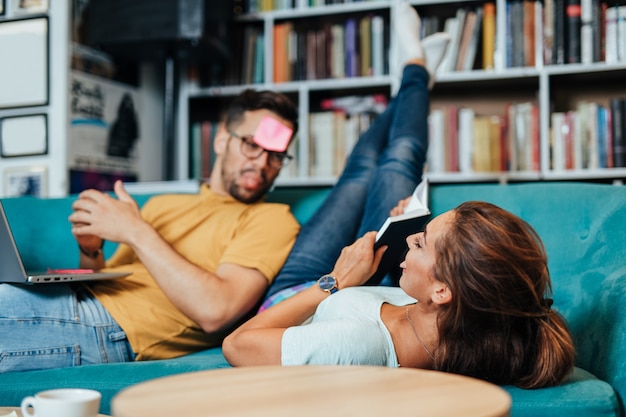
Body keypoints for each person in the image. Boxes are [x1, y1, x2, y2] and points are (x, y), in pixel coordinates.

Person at [222, 3, 576, 389]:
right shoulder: (456, 317)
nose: (412, 237)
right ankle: (415, 76)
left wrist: (334, 281)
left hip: (293, 297)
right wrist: (409, 235)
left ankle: (414, 72)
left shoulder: (359, 344)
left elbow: (237, 345)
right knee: (394, 167)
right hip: (356, 286)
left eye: (421, 241)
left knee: (367, 170)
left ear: (442, 290)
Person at [0, 88, 301, 373]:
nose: (262, 163)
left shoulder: (272, 219)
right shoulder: (164, 205)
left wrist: (135, 230)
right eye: (252, 145)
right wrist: (91, 249)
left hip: (113, 327)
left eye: (276, 155)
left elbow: (216, 311)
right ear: (222, 139)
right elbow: (107, 282)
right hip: (70, 300)